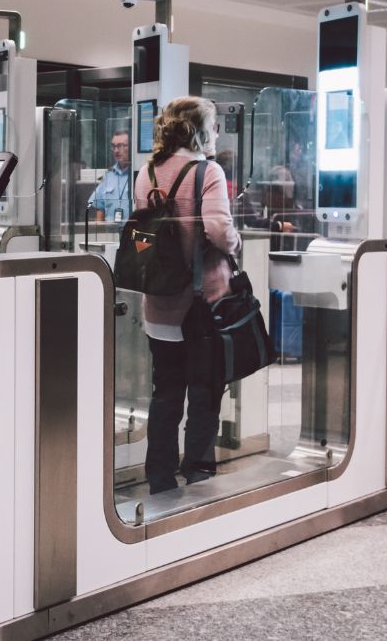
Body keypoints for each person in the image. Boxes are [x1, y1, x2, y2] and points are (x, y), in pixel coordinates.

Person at [133, 97, 241, 495]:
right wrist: (236, 240)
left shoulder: (147, 172)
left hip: (159, 304)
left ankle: (159, 477)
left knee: (165, 393)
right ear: (197, 130)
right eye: (213, 126)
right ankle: (197, 470)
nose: (216, 134)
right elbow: (216, 229)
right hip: (201, 305)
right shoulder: (207, 171)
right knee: (204, 390)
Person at [88, 130, 134, 222]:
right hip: (111, 233)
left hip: (132, 232)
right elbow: (100, 209)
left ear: (131, 147)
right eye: (113, 146)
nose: (116, 151)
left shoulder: (138, 174)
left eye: (121, 146)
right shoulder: (108, 176)